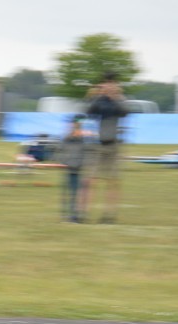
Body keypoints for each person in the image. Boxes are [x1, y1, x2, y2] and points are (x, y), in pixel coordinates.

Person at [85, 72, 128, 224]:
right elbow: (89, 112)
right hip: (98, 145)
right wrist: (98, 95)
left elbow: (124, 112)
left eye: (112, 83)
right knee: (91, 179)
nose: (109, 85)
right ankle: (86, 213)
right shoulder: (100, 100)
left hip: (114, 145)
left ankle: (109, 215)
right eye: (106, 83)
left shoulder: (120, 100)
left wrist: (115, 97)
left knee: (113, 180)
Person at [59, 115, 92, 223]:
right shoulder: (69, 137)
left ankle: (77, 215)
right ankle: (71, 214)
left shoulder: (84, 137)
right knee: (72, 192)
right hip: (71, 166)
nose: (77, 125)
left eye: (79, 124)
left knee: (79, 192)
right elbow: (63, 148)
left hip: (80, 167)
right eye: (76, 123)